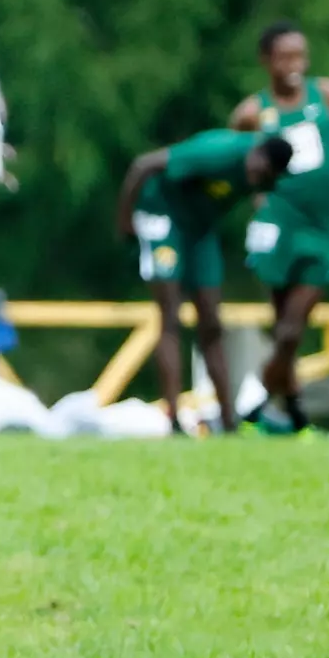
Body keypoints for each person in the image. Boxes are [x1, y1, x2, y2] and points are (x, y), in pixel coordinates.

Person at [118, 130, 295, 432]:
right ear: (256, 154)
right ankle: (172, 418)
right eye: (258, 171)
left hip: (200, 230)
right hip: (163, 216)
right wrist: (125, 220)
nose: (257, 178)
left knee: (212, 322)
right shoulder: (219, 152)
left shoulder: (261, 179)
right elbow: (143, 165)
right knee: (170, 315)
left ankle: (228, 423)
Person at [229, 22, 329, 436]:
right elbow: (240, 165)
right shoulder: (253, 113)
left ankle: (252, 404)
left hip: (321, 227)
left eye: (300, 56)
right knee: (283, 326)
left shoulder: (323, 95)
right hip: (278, 225)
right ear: (267, 61)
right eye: (285, 57)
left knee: (293, 327)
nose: (295, 65)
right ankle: (292, 416)